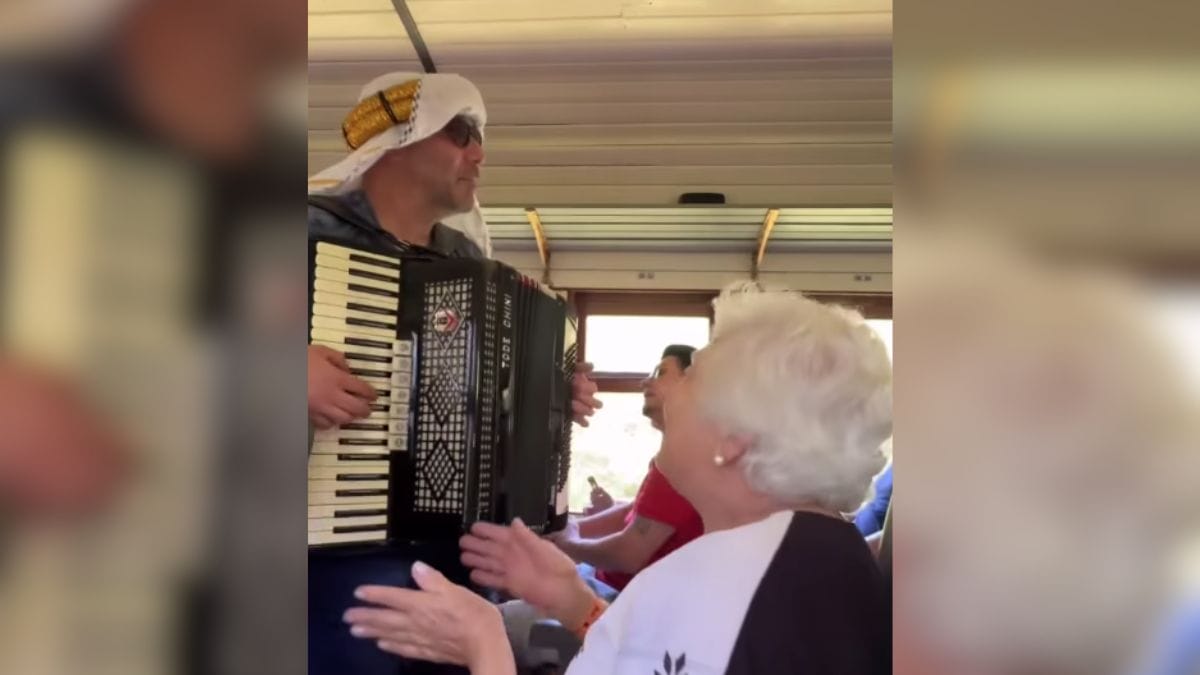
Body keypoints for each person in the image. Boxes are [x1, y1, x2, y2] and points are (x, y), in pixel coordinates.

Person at [343, 285, 894, 674]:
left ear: (733, 437)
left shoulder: (712, 580)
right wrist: (573, 601)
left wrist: (482, 643)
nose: (670, 391)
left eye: (693, 377)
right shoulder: (831, 555)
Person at [306, 71, 601, 675]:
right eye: (461, 133)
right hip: (325, 554)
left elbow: (486, 399)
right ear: (398, 138)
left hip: (457, 549)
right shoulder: (305, 230)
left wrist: (550, 396)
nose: (480, 154)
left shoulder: (465, 260)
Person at [553, 345, 704, 601]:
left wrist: (568, 545)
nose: (646, 381)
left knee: (503, 607)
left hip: (619, 597)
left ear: (690, 385)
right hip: (601, 578)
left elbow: (628, 555)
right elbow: (637, 512)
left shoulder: (686, 460)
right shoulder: (672, 454)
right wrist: (571, 528)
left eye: (661, 372)